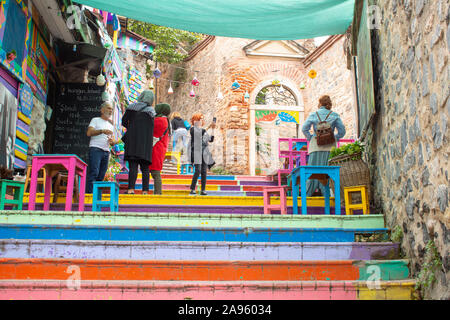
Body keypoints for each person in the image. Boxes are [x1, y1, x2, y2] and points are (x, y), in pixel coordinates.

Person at [302, 95, 346, 197]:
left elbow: (304, 128)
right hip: (330, 148)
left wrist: (311, 138)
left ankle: (306, 197)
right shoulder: (335, 115)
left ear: (320, 103)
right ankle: (328, 197)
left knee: (311, 173)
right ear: (329, 104)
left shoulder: (314, 115)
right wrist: (335, 138)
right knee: (328, 174)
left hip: (315, 147)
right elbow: (342, 131)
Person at [121, 90, 155, 195]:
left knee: (133, 166)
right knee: (145, 167)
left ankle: (131, 189)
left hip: (133, 141)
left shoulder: (132, 107)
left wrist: (131, 128)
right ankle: (145, 191)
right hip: (145, 143)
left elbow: (123, 121)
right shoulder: (152, 112)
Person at [86, 101, 119, 193]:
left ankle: (96, 197)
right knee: (94, 173)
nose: (110, 110)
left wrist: (113, 142)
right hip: (95, 149)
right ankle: (89, 196)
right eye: (108, 108)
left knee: (101, 176)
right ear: (102, 110)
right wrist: (102, 131)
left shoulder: (111, 126)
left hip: (106, 151)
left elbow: (111, 142)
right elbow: (89, 133)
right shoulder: (95, 120)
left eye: (111, 109)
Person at [188, 113, 216, 195]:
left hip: (205, 152)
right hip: (197, 151)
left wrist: (213, 129)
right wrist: (209, 127)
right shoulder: (192, 129)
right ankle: (192, 188)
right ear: (195, 120)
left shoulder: (203, 130)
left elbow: (210, 139)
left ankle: (203, 190)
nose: (202, 120)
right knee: (198, 170)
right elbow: (199, 133)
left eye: (202, 119)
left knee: (204, 171)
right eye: (200, 119)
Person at [149, 103, 172, 195]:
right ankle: (157, 193)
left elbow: (149, 125)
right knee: (155, 170)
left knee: (155, 171)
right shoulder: (165, 119)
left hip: (157, 148)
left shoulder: (160, 120)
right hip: (160, 147)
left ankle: (158, 193)